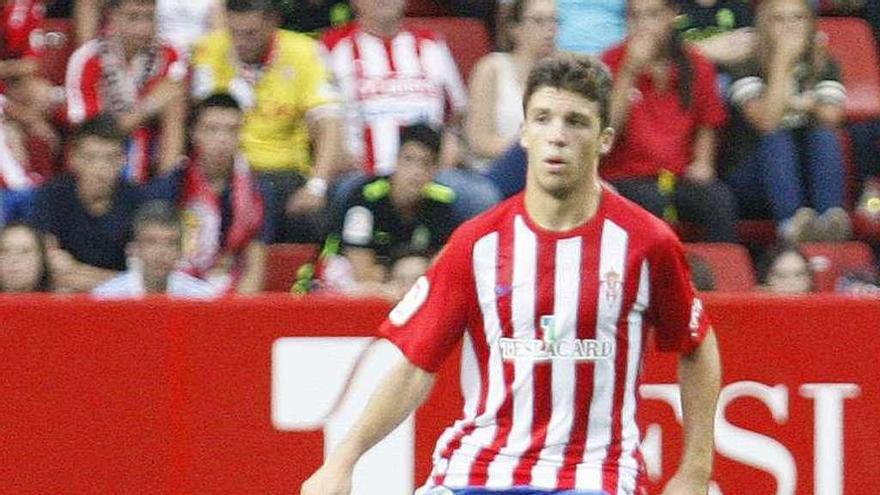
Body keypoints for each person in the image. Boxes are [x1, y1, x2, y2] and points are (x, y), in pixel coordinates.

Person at [301, 52, 721, 495]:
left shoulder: (646, 241)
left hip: (593, 477)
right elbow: (414, 366)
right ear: (523, 133)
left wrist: (695, 469)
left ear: (604, 138)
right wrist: (342, 460)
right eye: (543, 119)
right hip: (475, 472)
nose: (557, 136)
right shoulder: (476, 243)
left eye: (576, 122)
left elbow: (697, 345)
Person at [321, 0, 500, 222]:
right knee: (346, 194)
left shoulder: (431, 45)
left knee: (480, 197)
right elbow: (323, 119)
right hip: (364, 174)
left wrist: (446, 152)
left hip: (432, 174)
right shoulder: (331, 47)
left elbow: (455, 117)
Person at [191, 0, 348, 243]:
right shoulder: (209, 50)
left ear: (272, 23)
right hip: (224, 173)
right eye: (235, 33)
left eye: (250, 34)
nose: (241, 42)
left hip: (283, 174)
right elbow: (201, 120)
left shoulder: (304, 51)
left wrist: (316, 186)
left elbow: (328, 122)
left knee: (308, 212)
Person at [601, 0, 739, 242]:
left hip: (680, 176)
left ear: (671, 16)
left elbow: (707, 123)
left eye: (652, 15)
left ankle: (721, 274)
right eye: (635, 17)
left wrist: (703, 163)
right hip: (625, 176)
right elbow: (607, 131)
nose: (643, 26)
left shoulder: (695, 63)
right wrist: (629, 72)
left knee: (719, 199)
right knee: (651, 201)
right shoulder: (611, 61)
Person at [721, 0, 850, 243]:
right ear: (763, 26)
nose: (789, 26)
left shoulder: (823, 63)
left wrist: (798, 104)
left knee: (823, 136)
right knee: (777, 138)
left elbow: (832, 117)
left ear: (810, 24)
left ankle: (830, 220)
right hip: (752, 179)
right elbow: (767, 122)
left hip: (806, 174)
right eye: (778, 19)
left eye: (797, 18)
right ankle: (791, 225)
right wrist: (782, 62)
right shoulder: (745, 64)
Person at [31, 114, 181, 292]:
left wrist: (80, 274)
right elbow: (54, 268)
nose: (100, 168)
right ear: (73, 159)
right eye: (91, 157)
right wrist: (118, 280)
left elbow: (148, 277)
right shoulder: (52, 196)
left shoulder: (140, 202)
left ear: (122, 161)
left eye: (110, 158)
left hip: (124, 303)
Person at [320, 123, 458, 299]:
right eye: (409, 159)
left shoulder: (441, 201)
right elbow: (362, 271)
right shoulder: (365, 198)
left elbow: (444, 259)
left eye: (425, 163)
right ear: (396, 160)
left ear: (435, 169)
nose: (416, 172)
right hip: (347, 275)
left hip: (399, 279)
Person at [65, 0, 187, 183]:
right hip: (101, 161)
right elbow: (92, 135)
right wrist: (149, 106)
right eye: (133, 18)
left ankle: (164, 188)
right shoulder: (88, 59)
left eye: (149, 18)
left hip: (153, 155)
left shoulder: (171, 54)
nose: (143, 28)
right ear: (113, 18)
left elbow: (175, 104)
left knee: (175, 103)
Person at [178, 93, 272, 294]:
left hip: (230, 293)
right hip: (179, 290)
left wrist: (235, 314)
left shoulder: (257, 190)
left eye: (232, 130)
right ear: (194, 133)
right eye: (212, 130)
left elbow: (255, 267)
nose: (222, 139)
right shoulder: (173, 185)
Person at [466, 0, 557, 168]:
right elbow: (479, 142)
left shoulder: (559, 75)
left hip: (544, 168)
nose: (550, 29)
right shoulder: (492, 68)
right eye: (538, 21)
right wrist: (535, 146)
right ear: (515, 28)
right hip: (495, 170)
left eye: (554, 21)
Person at [93, 200, 219, 298]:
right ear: (135, 249)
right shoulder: (106, 298)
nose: (161, 252)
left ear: (181, 251)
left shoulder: (202, 299)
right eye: (151, 242)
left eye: (170, 243)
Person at [0, 222, 50, 292]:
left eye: (25, 251)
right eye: (4, 250)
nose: (14, 259)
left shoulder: (62, 301)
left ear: (41, 260)